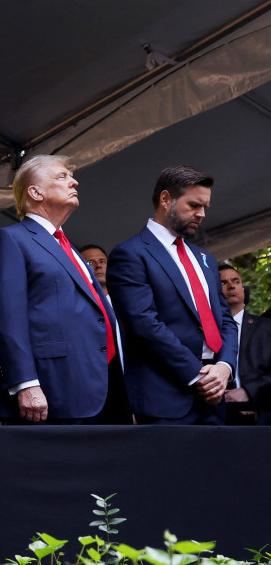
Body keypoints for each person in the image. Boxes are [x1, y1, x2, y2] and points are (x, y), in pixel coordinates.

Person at [0, 154, 126, 424]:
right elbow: (6, 317)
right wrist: (25, 382)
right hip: (54, 387)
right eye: (62, 177)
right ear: (35, 192)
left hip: (101, 382)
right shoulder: (10, 239)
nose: (75, 182)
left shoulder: (68, 246)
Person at [107, 165, 236, 425]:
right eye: (194, 205)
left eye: (205, 207)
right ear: (166, 199)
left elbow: (225, 319)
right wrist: (198, 375)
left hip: (215, 395)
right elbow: (143, 324)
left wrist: (224, 367)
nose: (201, 214)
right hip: (165, 398)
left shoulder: (206, 259)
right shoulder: (130, 254)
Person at [218, 263, 271, 425]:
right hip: (214, 413)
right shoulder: (203, 331)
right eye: (223, 283)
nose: (231, 286)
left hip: (260, 412)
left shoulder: (266, 327)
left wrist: (249, 392)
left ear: (243, 289)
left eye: (236, 281)